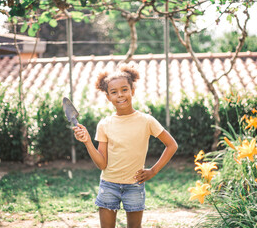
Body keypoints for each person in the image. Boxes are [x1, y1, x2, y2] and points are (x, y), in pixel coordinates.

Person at [72, 65, 178, 228]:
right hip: (108, 185)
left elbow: (172, 145)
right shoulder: (104, 124)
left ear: (132, 91)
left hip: (135, 185)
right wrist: (87, 141)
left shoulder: (146, 121)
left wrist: (153, 170)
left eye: (124, 90)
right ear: (108, 97)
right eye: (114, 92)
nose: (120, 95)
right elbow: (102, 164)